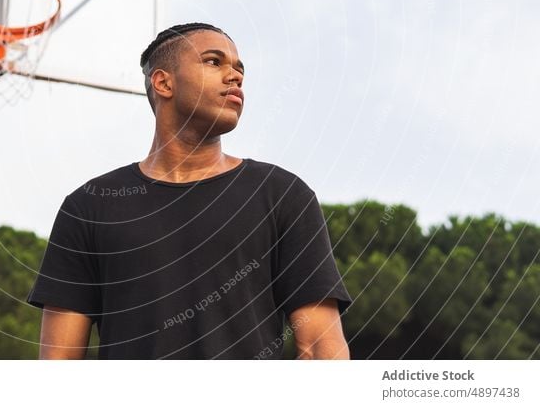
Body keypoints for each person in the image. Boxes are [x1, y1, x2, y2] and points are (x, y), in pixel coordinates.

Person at [26, 22, 352, 359]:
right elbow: (59, 361)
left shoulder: (283, 195)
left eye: (239, 69)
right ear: (163, 82)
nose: (235, 76)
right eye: (214, 62)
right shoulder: (88, 207)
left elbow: (320, 346)